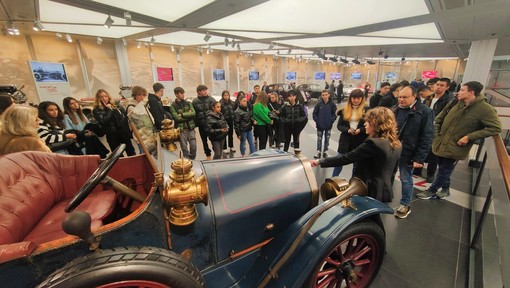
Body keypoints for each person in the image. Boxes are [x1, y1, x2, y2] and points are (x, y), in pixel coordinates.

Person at [417, 81, 502, 200]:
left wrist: (469, 137)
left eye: (462, 90)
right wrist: (437, 134)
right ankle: (446, 189)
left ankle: (432, 190)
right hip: (441, 142)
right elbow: (440, 118)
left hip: (457, 146)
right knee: (442, 168)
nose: (458, 92)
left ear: (471, 92)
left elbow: (496, 128)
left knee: (444, 170)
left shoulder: (485, 109)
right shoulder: (456, 102)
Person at [311, 107, 402, 203]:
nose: (365, 124)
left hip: (368, 191)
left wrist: (319, 162)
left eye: (368, 121)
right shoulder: (397, 143)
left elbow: (346, 158)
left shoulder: (373, 144)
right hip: (384, 191)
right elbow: (393, 171)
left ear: (375, 124)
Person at [392, 86, 434, 219]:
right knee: (388, 174)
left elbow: (427, 137)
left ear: (414, 96)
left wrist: (419, 158)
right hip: (393, 150)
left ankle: (405, 204)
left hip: (409, 152)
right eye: (399, 97)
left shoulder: (425, 112)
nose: (401, 99)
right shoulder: (395, 109)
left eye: (404, 97)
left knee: (405, 178)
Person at [419, 77, 454, 182]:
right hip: (425, 126)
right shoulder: (429, 98)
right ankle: (418, 167)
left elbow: (447, 117)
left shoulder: (449, 100)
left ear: (447, 87)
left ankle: (430, 173)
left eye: (442, 85)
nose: (438, 87)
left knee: (433, 152)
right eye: (437, 84)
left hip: (436, 129)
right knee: (421, 147)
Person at [332, 89, 368, 177]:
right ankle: (332, 180)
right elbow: (339, 126)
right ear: (350, 99)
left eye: (358, 98)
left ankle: (354, 183)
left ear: (362, 99)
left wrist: (360, 130)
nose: (355, 100)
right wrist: (348, 130)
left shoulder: (367, 110)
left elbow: (369, 125)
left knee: (356, 165)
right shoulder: (345, 110)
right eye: (354, 98)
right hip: (345, 140)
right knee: (339, 161)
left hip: (359, 140)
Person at [92, 89, 136, 156]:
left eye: (105, 96)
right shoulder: (97, 110)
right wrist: (109, 110)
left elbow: (123, 117)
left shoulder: (115, 105)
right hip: (112, 135)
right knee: (117, 155)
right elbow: (103, 121)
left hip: (122, 132)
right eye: (101, 97)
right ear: (98, 98)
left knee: (131, 151)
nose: (104, 98)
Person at [169, 87, 197, 160]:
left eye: (183, 93)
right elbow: (176, 118)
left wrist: (182, 115)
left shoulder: (188, 103)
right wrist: (188, 114)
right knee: (184, 148)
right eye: (181, 93)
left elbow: (193, 113)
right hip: (181, 130)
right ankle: (187, 162)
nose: (183, 95)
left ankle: (192, 159)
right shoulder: (173, 106)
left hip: (190, 128)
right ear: (176, 94)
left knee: (194, 147)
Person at [192, 85, 215, 160]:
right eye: (203, 90)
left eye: (206, 90)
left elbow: (216, 111)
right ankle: (207, 154)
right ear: (199, 92)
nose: (205, 91)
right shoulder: (195, 101)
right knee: (204, 140)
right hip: (201, 124)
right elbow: (194, 114)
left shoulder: (211, 99)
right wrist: (197, 123)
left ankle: (216, 152)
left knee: (213, 139)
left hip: (211, 124)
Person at [313, 90, 337, 158]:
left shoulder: (332, 105)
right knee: (319, 138)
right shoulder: (318, 104)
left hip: (328, 125)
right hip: (320, 125)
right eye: (323, 95)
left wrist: (331, 121)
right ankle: (318, 150)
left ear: (328, 95)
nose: (324, 96)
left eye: (326, 94)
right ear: (321, 96)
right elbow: (314, 114)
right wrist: (317, 121)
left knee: (327, 138)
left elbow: (334, 114)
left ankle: (326, 150)